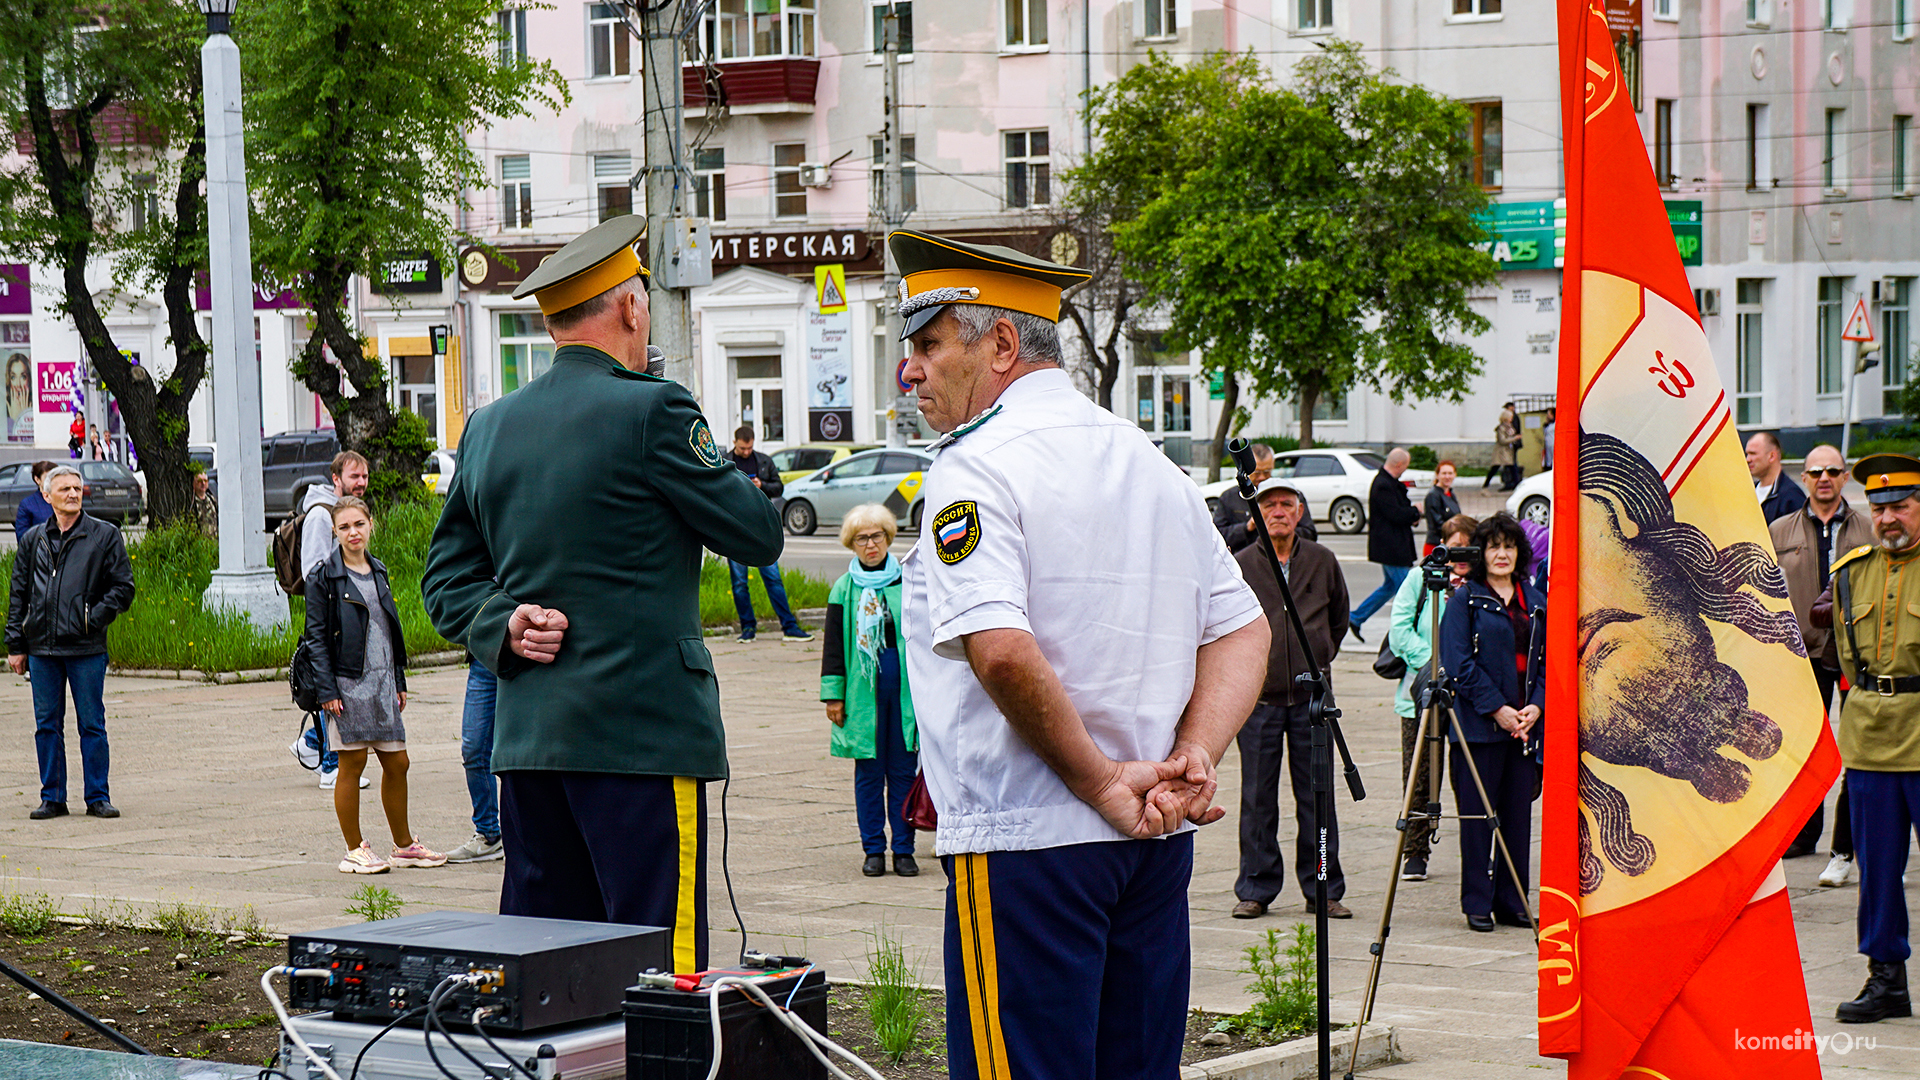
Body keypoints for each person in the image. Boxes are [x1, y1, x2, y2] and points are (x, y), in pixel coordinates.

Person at [890, 228, 1270, 1080]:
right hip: (1152, 835)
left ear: (999, 343)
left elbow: (1000, 651)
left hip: (1029, 838)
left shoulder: (974, 466)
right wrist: (1194, 756)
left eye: (927, 344)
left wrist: (1101, 781)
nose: (910, 371)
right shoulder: (1150, 460)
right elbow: (1244, 629)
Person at [423, 215, 783, 970]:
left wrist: (503, 623)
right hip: (641, 742)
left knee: (546, 970)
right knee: (662, 972)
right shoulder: (655, 409)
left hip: (528, 748)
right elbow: (757, 535)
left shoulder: (487, 427)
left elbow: (446, 579)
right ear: (630, 308)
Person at [1808, 453, 1920, 1023]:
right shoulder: (1851, 570)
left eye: (1900, 506)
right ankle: (1886, 981)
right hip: (1871, 739)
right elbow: (1848, 659)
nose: (1889, 519)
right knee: (1876, 869)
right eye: (1879, 509)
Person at [1229, 476, 1350, 920]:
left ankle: (1323, 886)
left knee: (1316, 795)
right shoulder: (1239, 564)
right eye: (1268, 506)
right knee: (1257, 797)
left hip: (1311, 701)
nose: (1277, 511)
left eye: (1285, 504)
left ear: (1299, 513)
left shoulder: (1322, 560)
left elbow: (1339, 619)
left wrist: (1317, 654)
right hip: (1258, 701)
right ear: (1255, 516)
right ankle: (1256, 888)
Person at [303, 497, 443, 874]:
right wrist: (327, 690)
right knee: (353, 762)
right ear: (334, 531)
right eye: (345, 527)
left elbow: (389, 630)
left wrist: (398, 678)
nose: (353, 533)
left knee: (398, 762)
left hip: (382, 683)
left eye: (359, 525)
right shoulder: (323, 577)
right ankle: (355, 849)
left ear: (370, 525)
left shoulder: (378, 570)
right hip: (346, 684)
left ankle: (404, 846)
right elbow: (315, 638)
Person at [6, 465, 135, 820]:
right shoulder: (33, 539)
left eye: (77, 488)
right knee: (47, 725)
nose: (74, 494)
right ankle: (53, 797)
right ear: (47, 496)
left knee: (92, 723)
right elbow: (19, 592)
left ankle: (97, 796)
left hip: (86, 649)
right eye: (65, 489)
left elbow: (124, 588)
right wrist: (15, 644)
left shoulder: (104, 535)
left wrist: (90, 618)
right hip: (42, 649)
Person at [1437, 512, 1545, 933]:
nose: (1502, 554)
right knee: (1478, 820)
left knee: (1518, 819)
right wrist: (1498, 709)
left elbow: (1549, 663)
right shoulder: (1465, 599)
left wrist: (1536, 707)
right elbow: (1458, 664)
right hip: (1480, 730)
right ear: (1481, 553)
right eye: (1493, 546)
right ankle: (1477, 902)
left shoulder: (1536, 602)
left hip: (1525, 729)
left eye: (1509, 546)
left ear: (1519, 553)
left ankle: (1513, 901)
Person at [1771, 445, 1871, 877]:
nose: (1824, 477)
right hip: (1803, 653)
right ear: (1806, 478)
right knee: (1804, 749)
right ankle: (1803, 834)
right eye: (1815, 472)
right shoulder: (1779, 531)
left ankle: (1849, 845)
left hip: (1856, 654)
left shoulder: (1868, 528)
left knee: (1859, 750)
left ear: (1845, 477)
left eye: (1832, 470)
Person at [820, 503, 919, 878]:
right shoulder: (843, 589)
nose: (870, 545)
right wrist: (834, 694)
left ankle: (905, 849)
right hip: (863, 696)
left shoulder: (907, 580)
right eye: (862, 538)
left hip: (905, 693)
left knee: (903, 771)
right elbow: (832, 649)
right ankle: (874, 849)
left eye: (876, 536)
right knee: (868, 773)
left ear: (888, 537)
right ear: (852, 544)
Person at [1386, 513, 1479, 883]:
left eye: (1466, 548)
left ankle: (1476, 853)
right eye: (1451, 547)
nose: (1458, 556)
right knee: (1418, 776)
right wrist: (1436, 663)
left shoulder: (1481, 586)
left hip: (1469, 697)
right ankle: (1416, 850)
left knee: (1468, 777)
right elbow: (1399, 631)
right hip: (1421, 695)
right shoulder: (1419, 579)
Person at [289, 450, 372, 791]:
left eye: (365, 477)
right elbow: (312, 572)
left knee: (348, 690)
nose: (361, 483)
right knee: (334, 688)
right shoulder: (321, 516)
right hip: (329, 619)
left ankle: (310, 742)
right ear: (336, 478)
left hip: (346, 615)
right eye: (354, 477)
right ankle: (330, 765)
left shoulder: (345, 514)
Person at [727, 425, 812, 643]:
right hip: (735, 530)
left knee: (773, 578)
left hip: (761, 528)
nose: (746, 452)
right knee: (739, 583)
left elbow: (779, 488)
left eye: (750, 448)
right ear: (735, 442)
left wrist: (761, 484)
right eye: (743, 448)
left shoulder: (763, 461)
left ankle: (789, 626)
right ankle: (748, 628)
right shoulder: (725, 462)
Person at [1349, 447, 1421, 640]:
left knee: (1388, 588)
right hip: (1392, 549)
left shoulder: (1389, 483)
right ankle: (1409, 633)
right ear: (1399, 465)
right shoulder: (1383, 485)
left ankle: (1355, 618)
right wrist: (1415, 511)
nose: (1405, 469)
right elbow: (1395, 514)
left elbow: (1398, 510)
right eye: (1405, 466)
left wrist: (1412, 514)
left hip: (1394, 547)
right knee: (1410, 593)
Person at [444, 658, 503, 863]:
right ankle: (488, 835)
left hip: (532, 660)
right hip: (485, 658)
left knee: (528, 751)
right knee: (474, 749)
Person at [1747, 430, 1807, 523]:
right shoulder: (1748, 493)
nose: (1748, 459)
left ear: (1772, 456)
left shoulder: (1791, 497)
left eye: (1753, 453)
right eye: (1747, 454)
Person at [1422, 461, 1462, 556]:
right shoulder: (1433, 495)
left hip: (1449, 543)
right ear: (1437, 475)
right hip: (1436, 546)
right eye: (1444, 473)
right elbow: (1437, 523)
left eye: (1450, 473)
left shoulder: (1451, 494)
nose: (1447, 477)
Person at [14, 461, 53, 537]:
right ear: (37, 479)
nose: (52, 481)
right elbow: (23, 537)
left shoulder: (65, 500)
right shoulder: (28, 504)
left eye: (55, 477)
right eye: (48, 478)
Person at [1487, 403, 1518, 490]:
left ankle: (1516, 484)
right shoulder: (1501, 428)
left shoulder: (1509, 427)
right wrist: (1515, 438)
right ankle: (1485, 485)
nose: (1511, 419)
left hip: (1508, 451)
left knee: (1513, 467)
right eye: (1510, 417)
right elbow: (1502, 440)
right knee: (1495, 468)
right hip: (1501, 451)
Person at [190, 470, 218, 540]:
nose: (203, 483)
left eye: (205, 481)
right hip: (200, 545)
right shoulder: (191, 502)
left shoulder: (212, 499)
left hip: (214, 544)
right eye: (199, 481)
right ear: (193, 483)